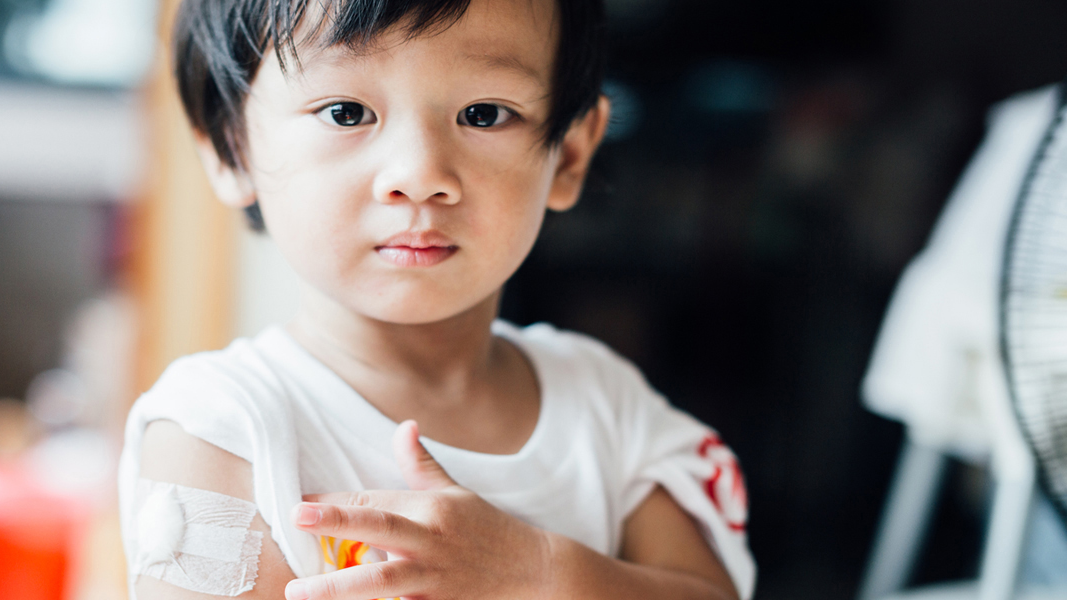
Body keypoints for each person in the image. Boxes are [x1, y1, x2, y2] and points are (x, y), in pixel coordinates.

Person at [119, 0, 755, 599]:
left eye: (483, 114)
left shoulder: (609, 406)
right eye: (346, 112)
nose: (420, 173)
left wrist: (535, 572)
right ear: (232, 148)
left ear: (571, 153)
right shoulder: (220, 429)